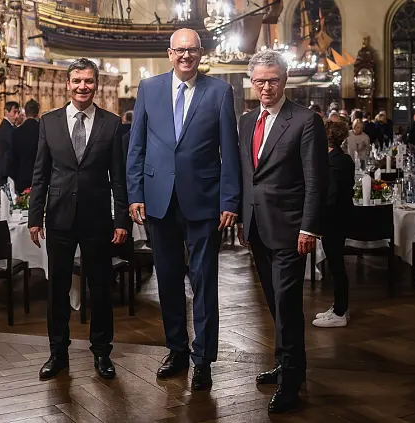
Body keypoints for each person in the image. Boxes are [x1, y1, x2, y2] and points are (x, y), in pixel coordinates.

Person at [127, 28, 240, 391]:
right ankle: (176, 349)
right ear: (169, 53)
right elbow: (137, 146)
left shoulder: (220, 91)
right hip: (159, 200)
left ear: (201, 53)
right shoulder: (149, 89)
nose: (186, 56)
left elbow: (229, 152)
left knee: (205, 282)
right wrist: (135, 194)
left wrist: (230, 199)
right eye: (180, 50)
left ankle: (203, 358)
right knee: (169, 281)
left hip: (204, 200)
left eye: (192, 50)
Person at [235, 50, 327, 413]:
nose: (266, 86)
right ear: (252, 82)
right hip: (256, 226)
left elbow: (316, 180)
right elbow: (247, 175)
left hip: (291, 229)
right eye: (259, 80)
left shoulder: (305, 120)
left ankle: (291, 381)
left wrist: (310, 227)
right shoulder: (246, 121)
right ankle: (288, 363)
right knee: (273, 302)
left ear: (285, 79)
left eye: (272, 79)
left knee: (287, 305)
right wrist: (242, 217)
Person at [28, 58, 130, 381]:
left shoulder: (111, 124)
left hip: (98, 219)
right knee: (57, 289)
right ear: (67, 84)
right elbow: (40, 174)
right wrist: (35, 217)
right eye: (77, 81)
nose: (82, 86)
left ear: (96, 84)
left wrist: (122, 220)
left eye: (88, 81)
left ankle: (102, 353)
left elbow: (119, 179)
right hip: (58, 218)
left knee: (100, 289)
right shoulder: (49, 122)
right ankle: (57, 353)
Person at [313, 119, 353, 329]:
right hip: (341, 218)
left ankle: (339, 312)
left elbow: (331, 195)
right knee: (336, 265)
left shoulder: (333, 161)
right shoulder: (343, 158)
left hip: (333, 220)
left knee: (336, 266)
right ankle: (340, 307)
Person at [12, 99, 41, 194]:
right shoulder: (43, 130)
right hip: (40, 176)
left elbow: (13, 157)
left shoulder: (16, 132)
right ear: (37, 112)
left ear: (25, 112)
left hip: (21, 176)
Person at [0, 101, 20, 188]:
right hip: (7, 172)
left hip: (8, 170)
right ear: (6, 112)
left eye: (18, 112)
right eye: (14, 112)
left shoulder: (10, 127)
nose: (17, 116)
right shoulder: (6, 128)